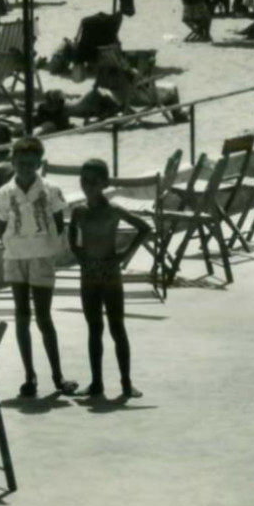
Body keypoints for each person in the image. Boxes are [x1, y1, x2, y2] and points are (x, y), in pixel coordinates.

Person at [0, 137, 77, 398]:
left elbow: (59, 222)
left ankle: (57, 375)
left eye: (31, 164)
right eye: (21, 164)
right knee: (21, 315)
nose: (26, 168)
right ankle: (29, 375)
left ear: (39, 163)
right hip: (15, 258)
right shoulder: (5, 192)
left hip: (42, 257)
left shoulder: (51, 189)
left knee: (43, 317)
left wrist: (42, 244)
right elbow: (1, 224)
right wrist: (15, 245)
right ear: (13, 163)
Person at [69, 159, 152, 400]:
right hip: (89, 276)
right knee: (94, 329)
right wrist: (79, 255)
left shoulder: (113, 210)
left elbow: (144, 228)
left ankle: (126, 383)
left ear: (105, 183)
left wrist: (125, 255)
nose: (88, 186)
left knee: (117, 328)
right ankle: (97, 383)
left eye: (93, 182)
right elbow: (72, 236)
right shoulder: (79, 211)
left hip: (110, 276)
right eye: (84, 181)